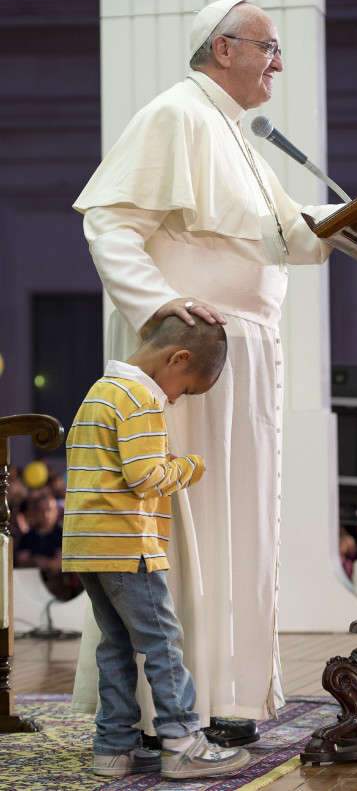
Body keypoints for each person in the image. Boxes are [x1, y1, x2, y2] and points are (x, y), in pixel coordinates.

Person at [71, 0, 337, 745]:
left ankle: (227, 694)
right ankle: (165, 712)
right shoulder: (175, 115)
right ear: (224, 49)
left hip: (244, 354)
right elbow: (109, 220)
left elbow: (290, 234)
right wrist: (164, 309)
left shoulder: (241, 136)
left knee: (237, 526)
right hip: (186, 356)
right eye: (269, 48)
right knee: (183, 527)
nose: (278, 63)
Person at [63, 315, 250, 780]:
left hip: (88, 547)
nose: (174, 398)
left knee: (115, 646)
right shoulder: (141, 397)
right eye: (183, 389)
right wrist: (189, 465)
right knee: (163, 642)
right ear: (177, 358)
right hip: (129, 546)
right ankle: (183, 741)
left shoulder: (99, 392)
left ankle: (113, 747)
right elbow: (146, 476)